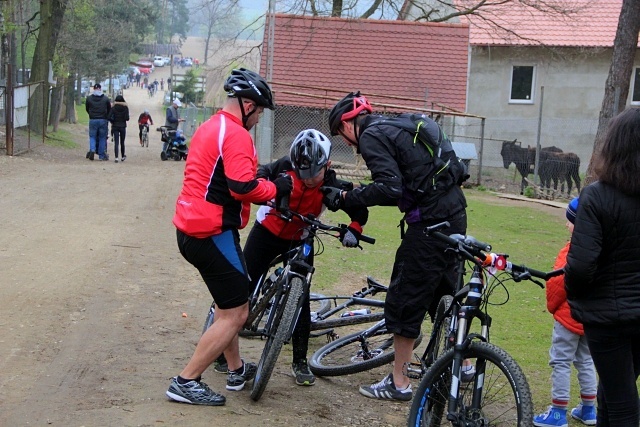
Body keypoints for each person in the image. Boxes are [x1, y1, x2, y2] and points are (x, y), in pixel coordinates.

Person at [321, 91, 468, 401]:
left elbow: (390, 187)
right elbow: (399, 183)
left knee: (406, 297)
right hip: (455, 214)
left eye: (340, 133)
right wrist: (364, 193)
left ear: (348, 125)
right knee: (447, 290)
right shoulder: (395, 124)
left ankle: (398, 382)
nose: (346, 142)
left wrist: (349, 198)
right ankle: (464, 365)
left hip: (428, 224)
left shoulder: (371, 136)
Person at [166, 68, 291, 407]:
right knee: (236, 312)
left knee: (228, 304)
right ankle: (186, 380)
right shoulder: (235, 135)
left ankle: (235, 369)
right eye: (260, 110)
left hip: (195, 227)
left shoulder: (211, 126)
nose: (260, 117)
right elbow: (243, 187)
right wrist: (277, 188)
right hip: (210, 231)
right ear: (247, 104)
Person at [212, 129, 369, 386]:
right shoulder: (285, 165)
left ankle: (299, 361)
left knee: (302, 298)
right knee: (242, 288)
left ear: (327, 165)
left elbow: (359, 210)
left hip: (301, 236)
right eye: (301, 173)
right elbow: (260, 173)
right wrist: (269, 186)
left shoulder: (332, 184)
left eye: (313, 175)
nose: (307, 180)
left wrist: (354, 229)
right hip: (268, 230)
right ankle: (221, 351)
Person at [565, 107, 640, 426]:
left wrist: (577, 296)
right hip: (623, 313)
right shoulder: (598, 197)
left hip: (609, 320)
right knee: (612, 393)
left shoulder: (596, 197)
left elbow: (580, 267)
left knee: (622, 403)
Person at [533, 196, 597, 427]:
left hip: (568, 317)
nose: (566, 225)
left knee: (560, 361)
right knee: (586, 360)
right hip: (590, 318)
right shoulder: (601, 249)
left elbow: (557, 283)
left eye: (569, 221)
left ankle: (558, 411)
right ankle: (589, 409)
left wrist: (553, 307)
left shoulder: (571, 251)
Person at [85, 83, 111, 161]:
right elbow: (109, 109)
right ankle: (101, 155)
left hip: (93, 119)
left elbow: (87, 108)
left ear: (94, 89)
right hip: (103, 119)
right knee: (102, 137)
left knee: (92, 136)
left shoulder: (89, 98)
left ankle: (92, 149)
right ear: (100, 89)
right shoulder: (105, 99)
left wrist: (91, 114)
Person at [108, 95, 130, 163]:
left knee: (116, 142)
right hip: (122, 126)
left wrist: (112, 121)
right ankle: (123, 156)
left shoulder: (113, 108)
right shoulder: (125, 107)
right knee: (122, 142)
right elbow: (127, 118)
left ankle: (116, 157)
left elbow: (109, 117)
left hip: (115, 126)